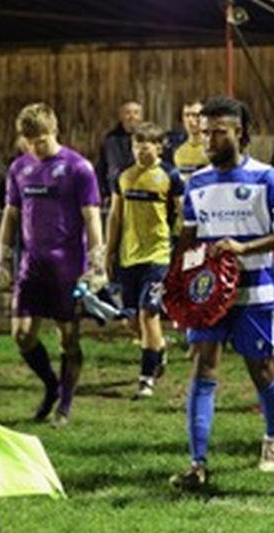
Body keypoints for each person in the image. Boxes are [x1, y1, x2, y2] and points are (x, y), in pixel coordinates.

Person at [169, 95, 274, 490]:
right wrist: (177, 283)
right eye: (204, 131)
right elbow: (188, 239)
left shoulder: (265, 178)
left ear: (239, 133)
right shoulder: (196, 182)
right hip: (207, 297)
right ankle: (197, 463)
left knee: (260, 370)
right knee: (203, 367)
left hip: (254, 294)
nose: (207, 139)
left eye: (217, 132)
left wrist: (246, 248)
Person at [0, 103, 105, 427]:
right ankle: (52, 386)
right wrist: (3, 257)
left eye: (41, 140)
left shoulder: (78, 168)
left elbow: (92, 217)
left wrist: (97, 262)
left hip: (67, 268)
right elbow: (11, 214)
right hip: (32, 266)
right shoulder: (19, 168)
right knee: (22, 336)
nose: (35, 147)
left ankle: (65, 406)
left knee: (68, 339)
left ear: (54, 131)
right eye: (29, 141)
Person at [104, 121, 183, 399]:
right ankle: (158, 350)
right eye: (136, 145)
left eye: (146, 145)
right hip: (129, 256)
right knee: (131, 321)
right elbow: (115, 216)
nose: (140, 150)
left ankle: (146, 378)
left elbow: (181, 215)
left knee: (149, 313)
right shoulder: (123, 176)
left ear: (159, 147)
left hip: (158, 256)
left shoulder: (169, 176)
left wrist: (180, 249)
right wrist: (108, 251)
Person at [96, 99, 143, 202]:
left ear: (141, 116)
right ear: (121, 116)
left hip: (141, 193)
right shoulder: (110, 140)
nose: (132, 116)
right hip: (115, 194)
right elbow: (102, 167)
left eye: (136, 113)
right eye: (128, 113)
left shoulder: (147, 140)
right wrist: (103, 192)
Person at [173, 99, 209, 181]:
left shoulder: (213, 148)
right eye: (187, 115)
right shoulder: (179, 152)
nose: (190, 120)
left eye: (196, 115)